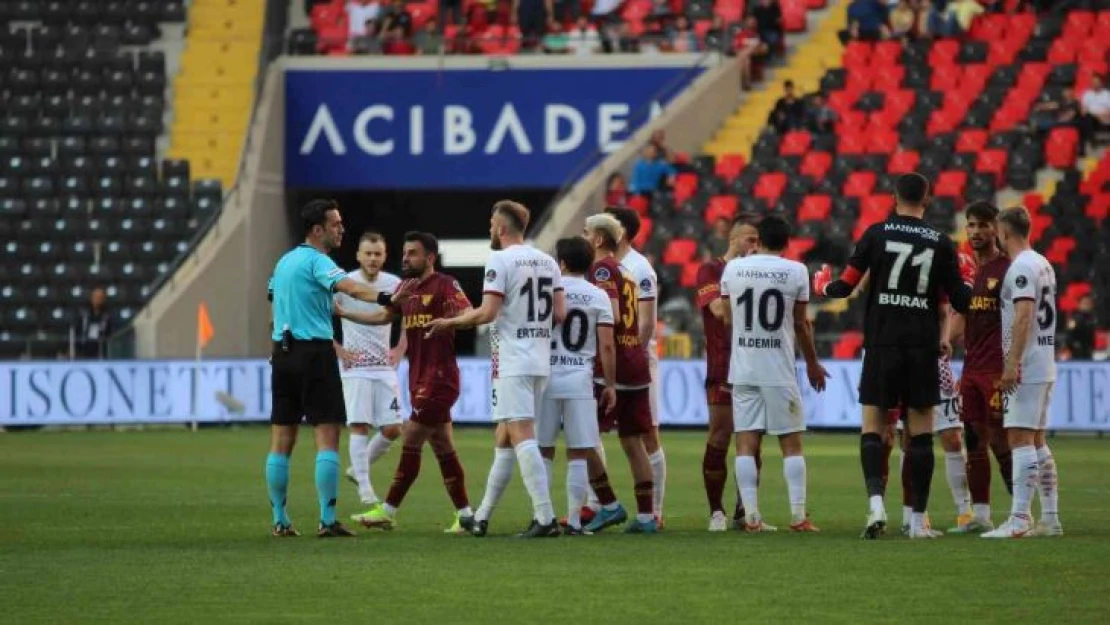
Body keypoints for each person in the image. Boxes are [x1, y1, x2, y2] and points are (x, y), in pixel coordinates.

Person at [813, 173, 973, 539]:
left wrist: (822, 284)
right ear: (927, 199)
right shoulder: (942, 243)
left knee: (874, 426)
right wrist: (973, 285)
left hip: (882, 343)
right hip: (922, 345)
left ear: (893, 196)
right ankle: (917, 522)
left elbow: (845, 286)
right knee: (920, 434)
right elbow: (961, 301)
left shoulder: (876, 233)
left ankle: (875, 506)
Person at [424, 201, 567, 538]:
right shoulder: (547, 260)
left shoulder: (500, 260)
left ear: (502, 228)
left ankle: (545, 518)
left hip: (514, 359)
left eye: (491, 224)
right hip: (539, 358)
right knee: (504, 436)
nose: (490, 229)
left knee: (520, 434)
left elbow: (487, 313)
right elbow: (559, 314)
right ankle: (482, 516)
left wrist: (450, 322)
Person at [266, 199, 389, 538]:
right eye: (335, 224)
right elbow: (349, 287)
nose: (342, 228)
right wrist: (384, 298)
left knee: (281, 440)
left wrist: (275, 347)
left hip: (283, 353)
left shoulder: (283, 262)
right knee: (328, 436)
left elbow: (274, 305)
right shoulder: (320, 262)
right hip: (315, 354)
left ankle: (280, 519)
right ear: (317, 230)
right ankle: (327, 519)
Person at [338, 231, 476, 534]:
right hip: (417, 378)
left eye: (412, 253)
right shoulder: (405, 288)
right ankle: (466, 516)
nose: (405, 258)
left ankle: (386, 511)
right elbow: (383, 317)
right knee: (442, 445)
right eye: (404, 252)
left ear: (429, 258)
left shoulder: (445, 284)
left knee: (411, 438)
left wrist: (449, 322)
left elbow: (470, 314)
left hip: (440, 378)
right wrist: (345, 312)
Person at [721, 216, 827, 532]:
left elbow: (728, 319)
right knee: (791, 444)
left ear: (758, 240)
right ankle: (798, 517)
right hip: (778, 369)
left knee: (745, 443)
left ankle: (751, 516)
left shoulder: (733, 269)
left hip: (743, 368)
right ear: (787, 241)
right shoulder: (796, 271)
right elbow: (800, 323)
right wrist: (812, 363)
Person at [983, 207, 1062, 539]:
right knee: (1037, 440)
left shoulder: (1020, 268)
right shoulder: (1043, 262)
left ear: (1004, 232)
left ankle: (1018, 520)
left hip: (1027, 364)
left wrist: (1011, 363)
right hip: (1044, 361)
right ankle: (1051, 518)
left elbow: (1024, 315)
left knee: (1019, 438)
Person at [580, 213, 657, 534]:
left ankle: (608, 504)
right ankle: (646, 517)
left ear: (598, 239)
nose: (583, 238)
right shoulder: (627, 271)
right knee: (632, 441)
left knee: (581, 437)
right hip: (636, 360)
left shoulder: (600, 269)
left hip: (613, 364)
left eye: (586, 233)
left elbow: (609, 315)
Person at [538, 236, 617, 535]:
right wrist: (609, 384)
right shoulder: (598, 296)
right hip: (580, 379)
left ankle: (543, 517)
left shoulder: (548, 291)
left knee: (544, 449)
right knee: (579, 452)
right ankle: (573, 521)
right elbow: (607, 346)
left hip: (546, 376)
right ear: (590, 263)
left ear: (561, 263)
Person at [951, 200, 1013, 533]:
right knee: (973, 441)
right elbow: (962, 315)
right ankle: (981, 515)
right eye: (970, 225)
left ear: (996, 229)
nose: (975, 231)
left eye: (983, 225)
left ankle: (1020, 513)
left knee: (1002, 441)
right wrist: (947, 340)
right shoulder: (969, 272)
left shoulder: (1007, 269)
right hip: (971, 368)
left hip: (996, 370)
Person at [334, 232, 406, 518]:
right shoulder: (345, 284)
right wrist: (337, 348)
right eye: (368, 253)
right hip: (355, 367)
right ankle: (365, 489)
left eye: (378, 254)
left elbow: (408, 319)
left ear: (384, 256)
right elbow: (317, 314)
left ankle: (356, 469)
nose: (373, 259)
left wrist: (400, 346)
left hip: (384, 366)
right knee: (359, 425)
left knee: (393, 428)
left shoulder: (394, 284)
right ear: (359, 256)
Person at [695, 217, 760, 531]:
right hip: (724, 365)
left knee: (753, 441)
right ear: (733, 238)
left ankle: (744, 511)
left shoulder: (761, 272)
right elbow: (720, 312)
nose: (754, 246)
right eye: (749, 239)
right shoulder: (711, 270)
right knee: (720, 436)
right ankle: (716, 511)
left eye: (758, 241)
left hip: (756, 364)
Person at [606, 207, 668, 525]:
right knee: (593, 432)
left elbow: (645, 325)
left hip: (636, 360)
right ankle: (595, 504)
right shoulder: (602, 265)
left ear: (623, 232)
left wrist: (629, 358)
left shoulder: (639, 268)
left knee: (647, 434)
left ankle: (655, 511)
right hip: (607, 360)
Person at [75, 287, 112, 360]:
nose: (98, 300)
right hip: (85, 349)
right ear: (91, 298)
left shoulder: (108, 316)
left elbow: (110, 334)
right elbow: (78, 332)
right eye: (96, 297)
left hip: (101, 350)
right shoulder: (83, 315)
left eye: (100, 297)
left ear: (104, 299)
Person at [1067, 294, 1096, 360]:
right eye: (1084, 303)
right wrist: (1073, 345)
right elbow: (1069, 334)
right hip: (1077, 351)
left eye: (1088, 303)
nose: (1086, 306)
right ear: (1079, 305)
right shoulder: (1074, 318)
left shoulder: (1093, 318)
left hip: (1088, 350)